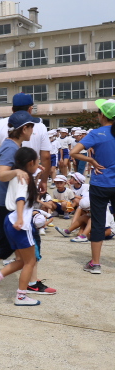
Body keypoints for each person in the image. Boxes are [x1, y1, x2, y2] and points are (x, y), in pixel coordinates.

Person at [0, 147, 43, 306]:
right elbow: (21, 198)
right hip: (19, 223)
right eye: (37, 162)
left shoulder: (17, 175)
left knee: (23, 260)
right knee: (30, 261)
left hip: (9, 220)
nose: (39, 164)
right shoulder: (24, 177)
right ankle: (21, 296)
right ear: (31, 162)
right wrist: (21, 218)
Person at [71, 98, 115, 274]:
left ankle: (95, 263)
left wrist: (91, 160)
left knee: (97, 222)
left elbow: (74, 152)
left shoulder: (96, 134)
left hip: (100, 183)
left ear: (102, 115)